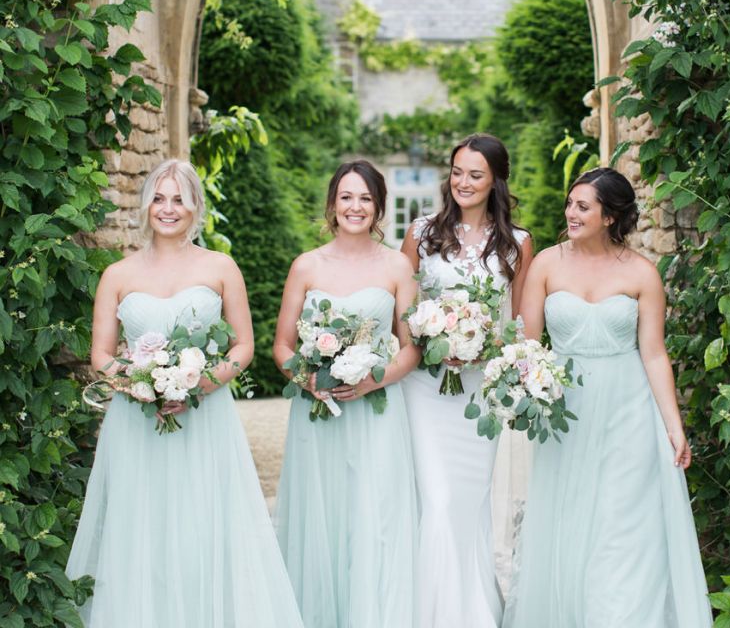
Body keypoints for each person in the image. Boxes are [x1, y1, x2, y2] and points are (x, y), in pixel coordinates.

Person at [66, 159, 303, 628]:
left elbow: (244, 346)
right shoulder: (118, 275)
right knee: (141, 528)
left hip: (205, 421)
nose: (168, 209)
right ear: (145, 205)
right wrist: (144, 387)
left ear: (195, 206)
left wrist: (200, 384)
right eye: (159, 198)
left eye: (179, 199)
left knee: (202, 526)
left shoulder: (220, 267)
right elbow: (101, 356)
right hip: (136, 425)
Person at [503, 167, 712, 628]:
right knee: (572, 522)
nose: (571, 213)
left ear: (610, 216)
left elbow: (654, 354)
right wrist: (522, 389)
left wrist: (673, 426)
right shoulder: (547, 264)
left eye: (583, 206)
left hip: (628, 411)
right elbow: (527, 344)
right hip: (566, 413)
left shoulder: (641, 273)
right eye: (570, 204)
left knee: (622, 526)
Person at [273, 160, 421, 628]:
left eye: (365, 199)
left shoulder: (397, 266)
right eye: (346, 197)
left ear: (378, 207)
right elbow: (282, 346)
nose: (355, 207)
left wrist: (376, 378)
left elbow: (413, 347)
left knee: (375, 516)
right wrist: (308, 379)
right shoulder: (306, 265)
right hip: (318, 413)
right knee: (324, 514)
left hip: (376, 410)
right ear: (332, 204)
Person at [400, 134, 533, 628]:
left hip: (478, 393)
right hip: (424, 389)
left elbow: (521, 326)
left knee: (468, 504)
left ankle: (471, 610)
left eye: (475, 174)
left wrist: (483, 347)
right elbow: (401, 310)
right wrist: (429, 336)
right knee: (435, 500)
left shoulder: (518, 243)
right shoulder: (421, 233)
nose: (463, 182)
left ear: (496, 180)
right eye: (457, 172)